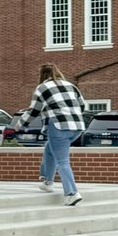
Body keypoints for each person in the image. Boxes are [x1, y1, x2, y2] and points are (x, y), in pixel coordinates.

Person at [16, 63, 86, 205]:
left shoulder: (42, 88)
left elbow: (33, 111)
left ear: (42, 75)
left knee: (62, 161)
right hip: (77, 127)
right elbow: (83, 105)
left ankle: (72, 193)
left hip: (59, 126)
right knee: (50, 149)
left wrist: (18, 126)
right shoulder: (71, 86)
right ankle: (48, 182)